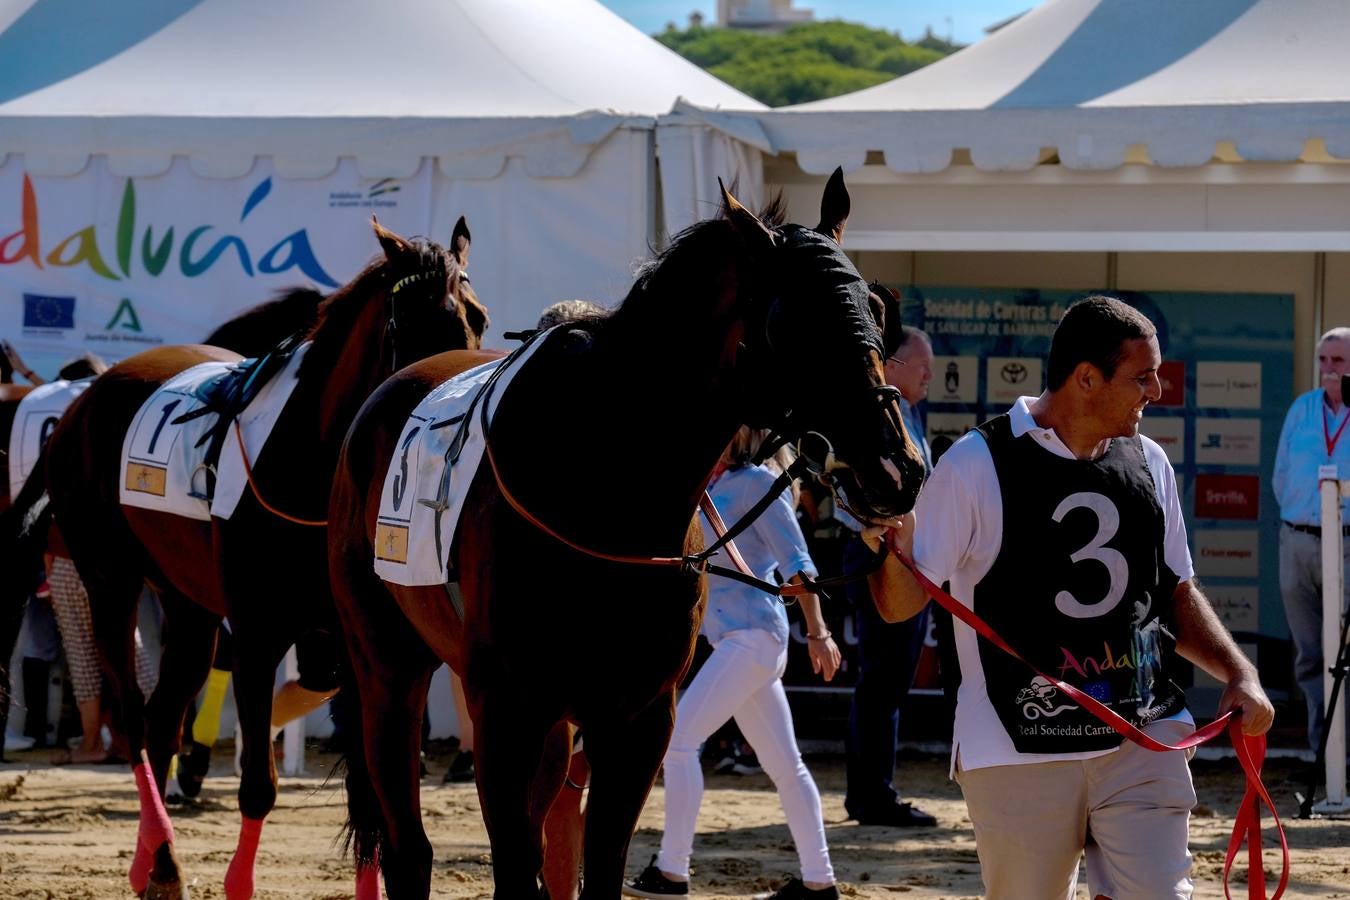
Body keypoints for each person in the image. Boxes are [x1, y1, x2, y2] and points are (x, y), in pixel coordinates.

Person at [868, 296, 1273, 899]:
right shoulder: (976, 464)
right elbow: (899, 605)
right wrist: (893, 549)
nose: (1157, 391)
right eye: (1143, 376)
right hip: (1015, 748)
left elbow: (1175, 591)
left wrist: (1239, 673)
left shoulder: (1150, 461)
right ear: (1086, 378)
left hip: (1144, 735)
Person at [626, 427, 843, 900]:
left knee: (680, 742)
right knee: (788, 767)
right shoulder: (710, 484)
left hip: (753, 636)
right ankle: (819, 882)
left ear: (746, 434)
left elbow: (797, 561)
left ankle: (672, 872)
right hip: (739, 638)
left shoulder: (757, 483)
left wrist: (818, 631)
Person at [840, 311, 937, 827]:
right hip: (881, 557)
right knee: (880, 682)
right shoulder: (872, 414)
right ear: (892, 364)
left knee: (890, 683)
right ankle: (872, 795)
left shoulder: (910, 416)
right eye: (922, 366)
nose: (929, 376)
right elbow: (848, 491)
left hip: (911, 562)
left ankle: (875, 789)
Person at [1273, 325, 1350, 750]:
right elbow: (1281, 477)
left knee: (1346, 655)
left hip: (1348, 544)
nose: (1328, 369)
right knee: (1309, 655)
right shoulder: (1302, 408)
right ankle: (1323, 753)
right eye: (1323, 360)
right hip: (1298, 541)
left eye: (1337, 360)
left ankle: (1347, 756)